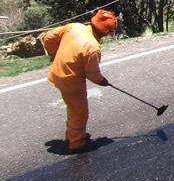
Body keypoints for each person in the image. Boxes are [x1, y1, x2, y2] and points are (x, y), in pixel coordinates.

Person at [42, 9, 118, 153]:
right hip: (70, 80)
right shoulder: (92, 47)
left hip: (56, 72)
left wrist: (54, 53)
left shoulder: (75, 27)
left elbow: (49, 37)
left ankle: (72, 135)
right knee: (79, 111)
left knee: (73, 108)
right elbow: (92, 74)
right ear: (105, 32)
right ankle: (77, 143)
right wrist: (102, 81)